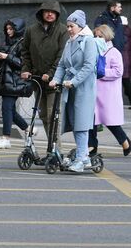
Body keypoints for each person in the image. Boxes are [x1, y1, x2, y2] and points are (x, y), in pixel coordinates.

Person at [49, 10, 98, 173]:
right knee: (76, 124)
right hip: (70, 89)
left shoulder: (89, 41)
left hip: (84, 89)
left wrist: (74, 81)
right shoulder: (70, 42)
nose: (69, 29)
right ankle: (83, 158)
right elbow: (62, 64)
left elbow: (89, 66)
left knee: (81, 125)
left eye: (72, 26)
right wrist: (55, 79)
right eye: (68, 26)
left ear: (80, 26)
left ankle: (80, 160)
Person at [21, 0, 69, 152]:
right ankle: (51, 148)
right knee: (43, 117)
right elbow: (25, 52)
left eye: (53, 12)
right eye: (46, 11)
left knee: (53, 116)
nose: (49, 14)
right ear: (41, 13)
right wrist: (26, 69)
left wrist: (51, 74)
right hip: (37, 80)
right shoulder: (31, 30)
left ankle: (56, 151)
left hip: (54, 81)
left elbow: (62, 56)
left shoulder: (62, 31)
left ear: (57, 14)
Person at [90, 25, 131, 156]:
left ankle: (124, 141)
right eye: (95, 36)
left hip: (108, 93)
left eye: (100, 36)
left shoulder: (114, 52)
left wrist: (102, 72)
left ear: (107, 36)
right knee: (91, 120)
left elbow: (118, 71)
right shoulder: (94, 51)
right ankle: (92, 146)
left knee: (109, 121)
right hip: (95, 92)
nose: (97, 39)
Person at [0, 18, 30, 149]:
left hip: (16, 80)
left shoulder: (23, 43)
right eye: (7, 29)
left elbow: (23, 63)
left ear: (18, 29)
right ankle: (28, 129)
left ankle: (6, 138)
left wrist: (7, 57)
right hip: (5, 80)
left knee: (7, 107)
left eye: (11, 29)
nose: (8, 31)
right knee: (10, 110)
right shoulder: (6, 42)